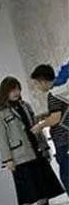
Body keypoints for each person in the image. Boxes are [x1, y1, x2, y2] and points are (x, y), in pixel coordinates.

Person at [0, 76, 67, 205]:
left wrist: (45, 147)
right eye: (12, 90)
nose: (16, 93)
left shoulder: (25, 105)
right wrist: (8, 159)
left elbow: (35, 126)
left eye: (17, 89)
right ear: (5, 92)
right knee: (24, 189)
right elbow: (1, 138)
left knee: (41, 184)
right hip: (19, 156)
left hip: (35, 150)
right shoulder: (0, 113)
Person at [30, 63, 69, 194]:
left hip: (64, 141)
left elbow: (55, 118)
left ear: (43, 81)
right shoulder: (62, 90)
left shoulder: (53, 95)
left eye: (36, 84)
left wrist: (40, 126)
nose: (37, 87)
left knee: (67, 175)